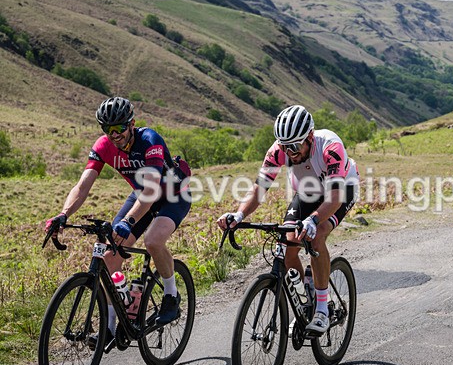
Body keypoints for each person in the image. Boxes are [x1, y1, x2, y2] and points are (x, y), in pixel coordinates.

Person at [45, 97, 192, 349]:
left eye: (119, 128)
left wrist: (128, 221)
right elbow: (82, 186)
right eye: (107, 129)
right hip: (141, 195)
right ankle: (111, 328)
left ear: (132, 124)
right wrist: (63, 215)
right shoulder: (103, 146)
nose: (114, 135)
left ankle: (171, 295)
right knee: (110, 256)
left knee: (153, 240)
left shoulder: (150, 140)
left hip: (172, 195)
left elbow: (151, 191)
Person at [217, 105, 359, 334]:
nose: (290, 152)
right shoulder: (279, 150)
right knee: (288, 244)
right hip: (307, 192)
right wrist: (239, 214)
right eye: (285, 146)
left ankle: (322, 309)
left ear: (310, 137)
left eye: (294, 145)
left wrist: (313, 220)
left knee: (317, 235)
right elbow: (259, 189)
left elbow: (333, 199)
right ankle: (307, 301)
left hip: (341, 191)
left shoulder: (330, 147)